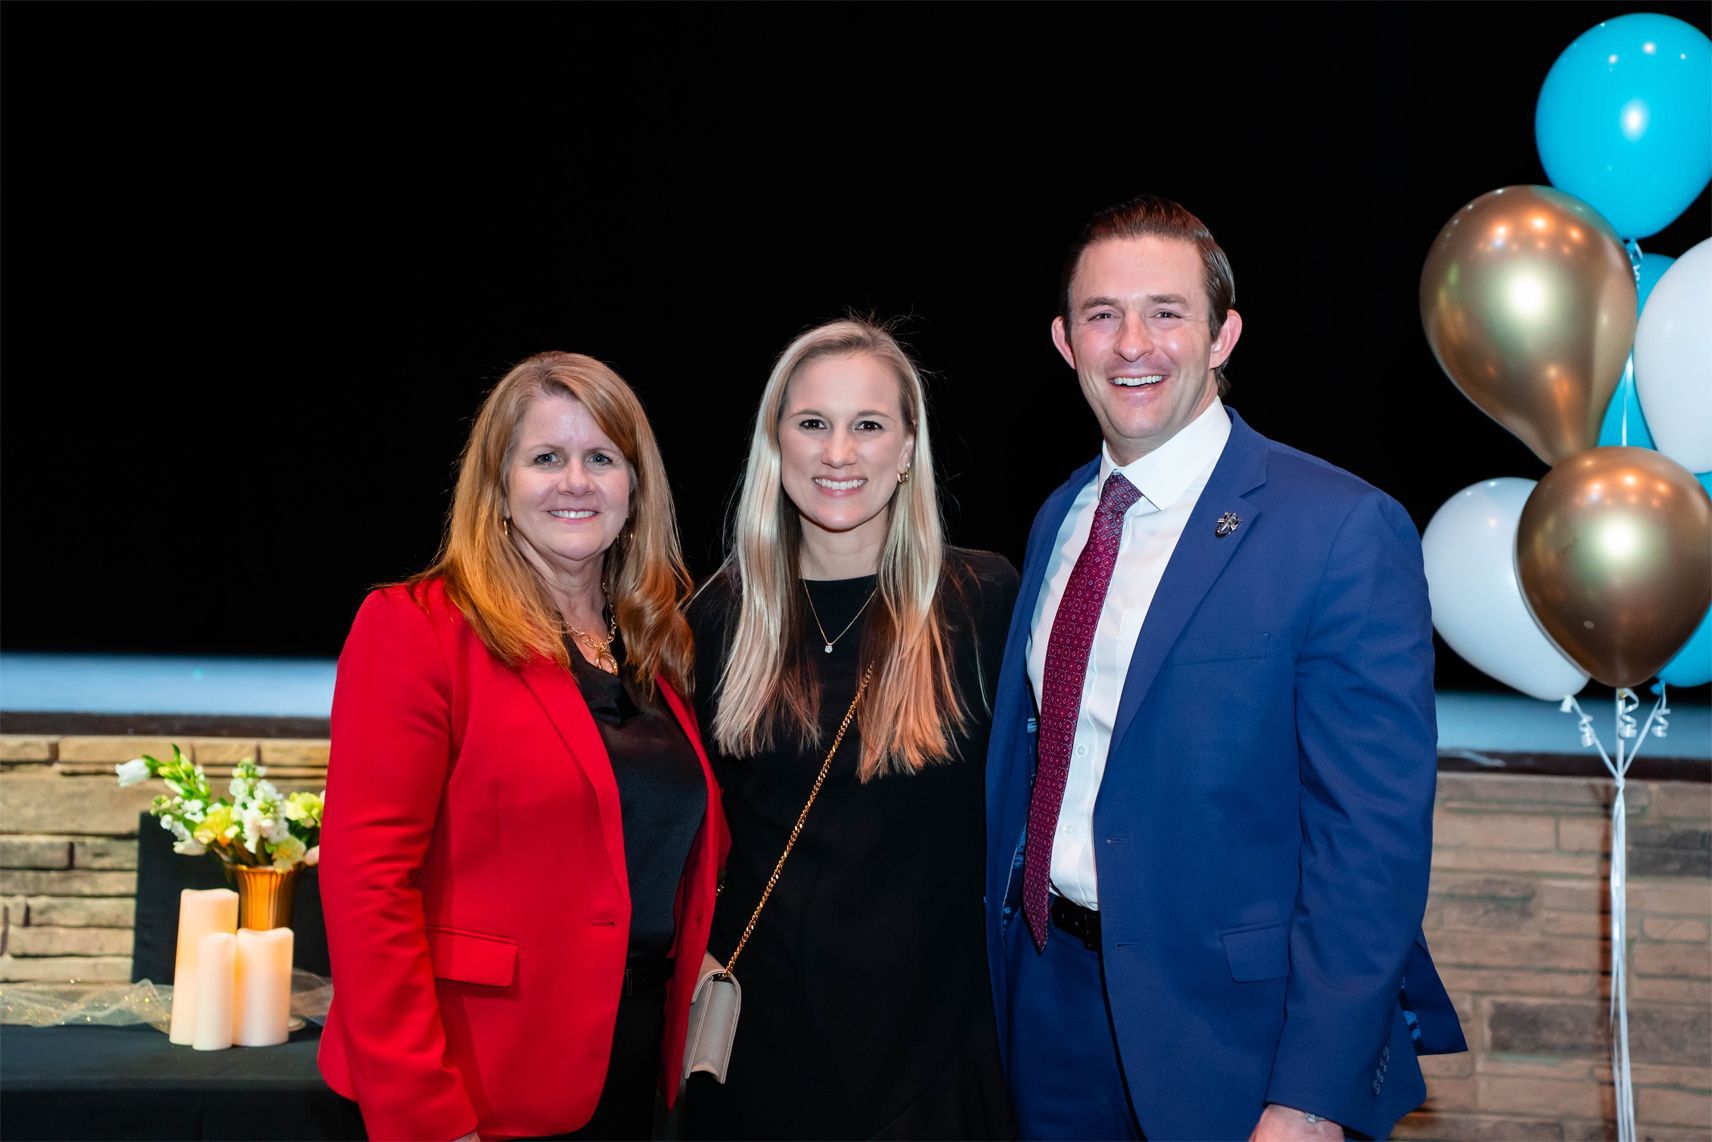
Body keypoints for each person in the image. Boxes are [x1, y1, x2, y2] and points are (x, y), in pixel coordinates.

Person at [984, 196, 1467, 1142]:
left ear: (1223, 335)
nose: (1133, 344)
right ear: (1062, 340)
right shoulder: (1062, 519)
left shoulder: (1337, 529)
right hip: (1048, 1007)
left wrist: (1312, 1096)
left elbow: (1370, 849)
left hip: (1234, 1046)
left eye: (1166, 312)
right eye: (1102, 316)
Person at [317, 351, 727, 1141]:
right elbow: (367, 889)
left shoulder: (657, 649)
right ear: (499, 489)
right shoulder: (417, 629)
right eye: (546, 458)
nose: (576, 481)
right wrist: (427, 1118)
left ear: (634, 491)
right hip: (477, 1083)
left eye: (601, 458)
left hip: (634, 1069)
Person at [685, 318, 1018, 1140]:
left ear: (908, 448)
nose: (839, 452)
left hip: (934, 1064)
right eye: (812, 424)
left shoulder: (981, 602)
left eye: (868, 425)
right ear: (777, 444)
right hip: (760, 1054)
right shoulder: (717, 616)